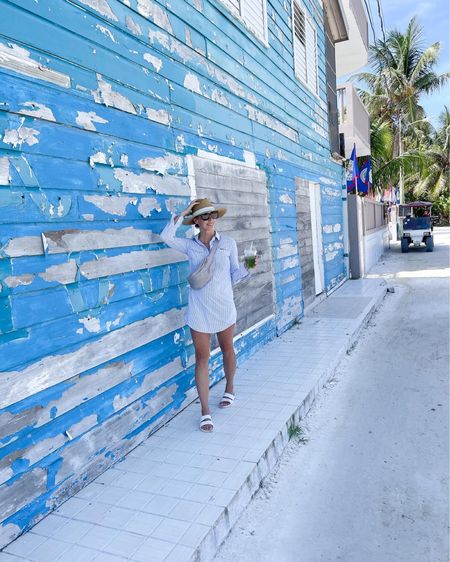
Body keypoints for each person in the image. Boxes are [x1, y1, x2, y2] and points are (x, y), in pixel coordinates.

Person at [160, 198, 257, 432]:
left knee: (227, 348)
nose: (210, 219)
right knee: (202, 358)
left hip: (224, 305)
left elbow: (235, 274)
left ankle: (230, 387)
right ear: (196, 221)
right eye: (204, 216)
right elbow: (166, 237)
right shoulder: (189, 245)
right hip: (199, 309)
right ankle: (205, 410)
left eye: (213, 214)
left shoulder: (228, 243)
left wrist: (249, 266)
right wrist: (183, 212)